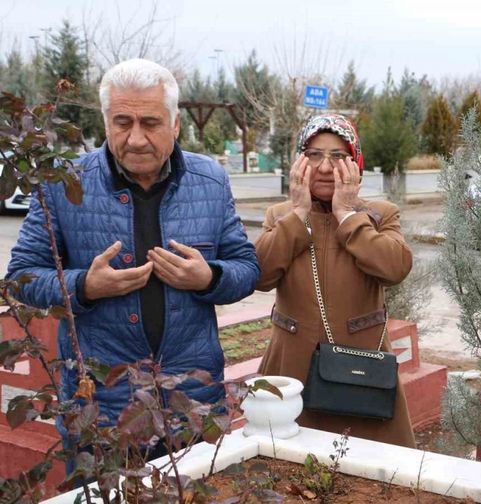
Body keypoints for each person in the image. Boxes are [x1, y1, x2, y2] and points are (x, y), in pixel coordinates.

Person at [6, 58, 260, 429]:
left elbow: (247, 268)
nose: (136, 138)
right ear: (106, 122)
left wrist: (209, 278)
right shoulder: (64, 184)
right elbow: (21, 278)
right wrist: (84, 287)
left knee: (193, 488)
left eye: (151, 123)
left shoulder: (210, 180)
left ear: (175, 123)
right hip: (101, 406)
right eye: (123, 123)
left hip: (194, 401)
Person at [255, 113, 415, 447]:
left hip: (360, 372)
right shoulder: (279, 215)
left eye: (338, 156)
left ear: (356, 162)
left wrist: (347, 215)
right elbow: (261, 274)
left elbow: (395, 268)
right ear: (300, 161)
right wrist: (298, 214)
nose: (325, 168)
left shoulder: (380, 214)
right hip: (290, 369)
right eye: (314, 155)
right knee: (283, 468)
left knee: (371, 476)